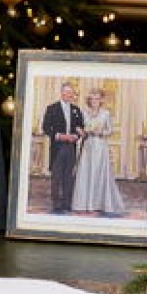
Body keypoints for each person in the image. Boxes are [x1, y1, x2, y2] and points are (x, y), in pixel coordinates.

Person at [71, 88, 126, 216]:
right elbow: (79, 127)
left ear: (101, 100)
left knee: (98, 173)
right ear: (89, 100)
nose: (94, 101)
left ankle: (98, 203)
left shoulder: (106, 113)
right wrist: (82, 131)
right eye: (92, 99)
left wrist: (100, 132)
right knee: (86, 172)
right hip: (88, 146)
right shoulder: (84, 113)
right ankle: (83, 204)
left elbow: (110, 130)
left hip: (100, 147)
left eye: (97, 98)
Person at [41, 81, 85, 213]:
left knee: (68, 176)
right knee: (56, 176)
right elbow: (46, 128)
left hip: (71, 146)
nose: (69, 95)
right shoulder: (52, 108)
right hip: (57, 147)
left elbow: (80, 127)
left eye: (71, 93)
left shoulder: (76, 110)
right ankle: (56, 203)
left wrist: (76, 136)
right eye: (66, 92)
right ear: (61, 93)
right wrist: (60, 136)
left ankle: (67, 203)